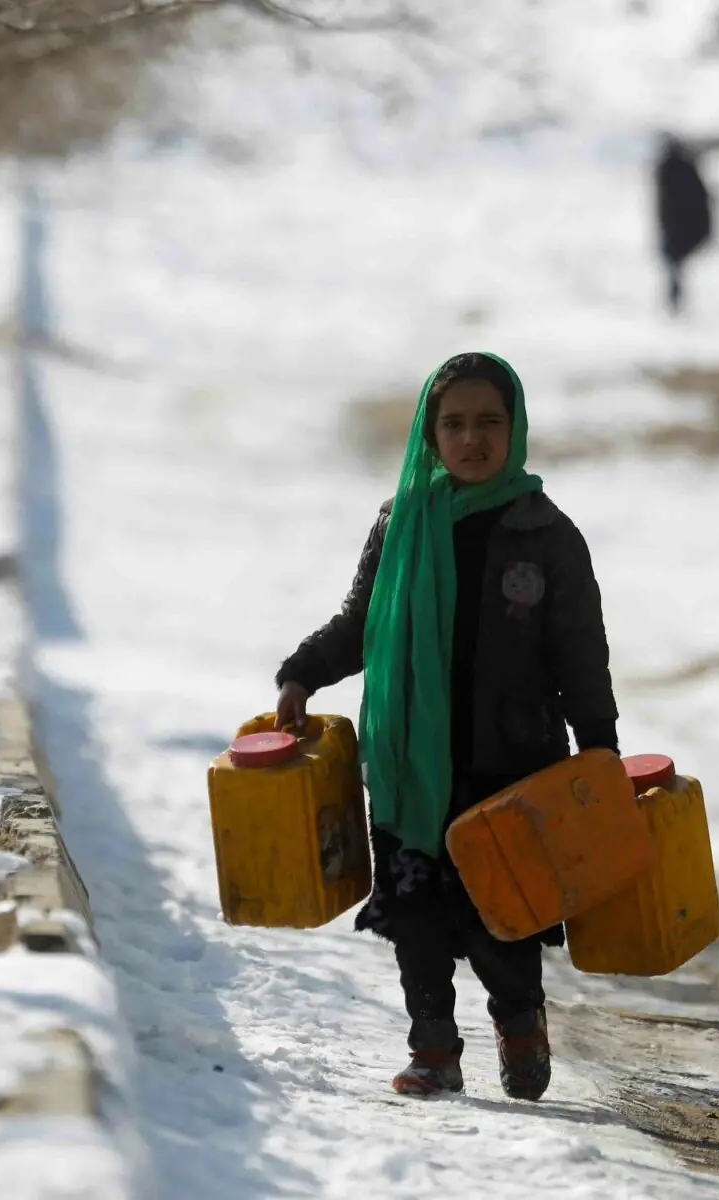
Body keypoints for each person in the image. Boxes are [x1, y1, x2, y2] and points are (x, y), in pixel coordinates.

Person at [274, 352, 619, 1101]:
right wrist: (301, 671)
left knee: (506, 911)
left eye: (489, 423)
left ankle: (519, 1020)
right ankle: (433, 1046)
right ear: (430, 435)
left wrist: (599, 748)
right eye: (454, 424)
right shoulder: (401, 523)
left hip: (512, 762)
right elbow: (361, 622)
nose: (472, 440)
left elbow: (580, 653)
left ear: (515, 428)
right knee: (418, 914)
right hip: (410, 761)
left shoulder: (546, 533)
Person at [654, 134, 713, 315]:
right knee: (675, 267)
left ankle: (678, 303)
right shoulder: (675, 169)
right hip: (675, 227)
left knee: (676, 267)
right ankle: (676, 304)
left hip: (677, 227)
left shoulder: (674, 169)